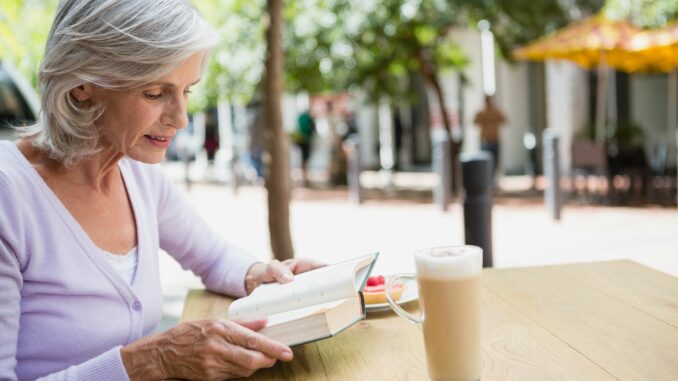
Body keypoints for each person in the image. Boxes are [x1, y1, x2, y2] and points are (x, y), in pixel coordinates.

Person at [0, 1, 323, 380]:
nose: (180, 118)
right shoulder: (10, 196)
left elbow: (214, 256)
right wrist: (152, 361)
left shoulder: (135, 172)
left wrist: (259, 275)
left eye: (187, 90)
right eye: (155, 93)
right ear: (83, 84)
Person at [473, 95, 507, 173]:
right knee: (484, 160)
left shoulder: (496, 111)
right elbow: (474, 122)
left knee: (495, 160)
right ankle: (485, 176)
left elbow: (504, 120)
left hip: (495, 139)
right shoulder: (481, 112)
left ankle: (494, 177)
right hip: (485, 140)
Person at [291, 108, 315, 186]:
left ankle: (303, 176)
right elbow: (313, 129)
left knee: (302, 158)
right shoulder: (308, 118)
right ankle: (305, 176)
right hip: (306, 140)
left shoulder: (300, 117)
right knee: (305, 158)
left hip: (300, 140)